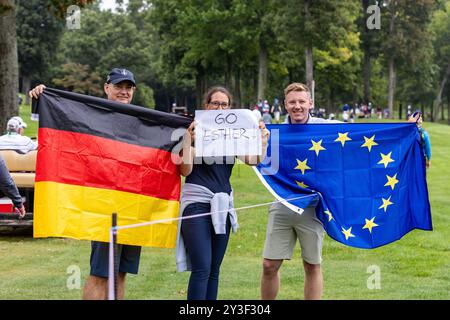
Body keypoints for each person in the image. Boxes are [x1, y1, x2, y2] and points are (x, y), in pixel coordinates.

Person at [28, 68, 142, 300]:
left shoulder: (141, 119)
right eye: (118, 86)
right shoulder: (92, 113)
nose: (123, 91)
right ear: (106, 88)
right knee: (100, 272)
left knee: (120, 272)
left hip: (133, 205)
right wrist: (41, 97)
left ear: (133, 91)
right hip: (103, 206)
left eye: (128, 87)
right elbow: (61, 118)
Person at [176, 86, 270, 300]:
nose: (219, 108)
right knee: (202, 268)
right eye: (215, 103)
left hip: (223, 205)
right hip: (196, 204)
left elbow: (252, 160)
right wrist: (187, 141)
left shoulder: (233, 134)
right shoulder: (192, 130)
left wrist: (263, 141)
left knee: (214, 270)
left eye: (224, 104)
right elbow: (185, 171)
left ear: (230, 109)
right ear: (206, 106)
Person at [260, 82, 340, 301]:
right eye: (292, 102)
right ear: (285, 105)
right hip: (282, 202)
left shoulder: (324, 127)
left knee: (312, 265)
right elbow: (258, 159)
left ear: (310, 103)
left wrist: (407, 128)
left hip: (313, 207)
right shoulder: (273, 132)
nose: (297, 106)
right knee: (269, 265)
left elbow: (362, 134)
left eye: (302, 101)